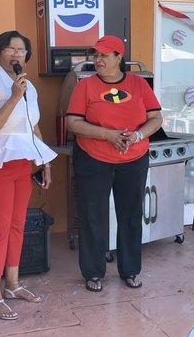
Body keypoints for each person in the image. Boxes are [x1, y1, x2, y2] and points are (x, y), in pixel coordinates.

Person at [0, 31, 57, 319]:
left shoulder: (29, 87)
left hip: (21, 163)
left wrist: (44, 162)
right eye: (10, 49)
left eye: (21, 50)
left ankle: (13, 285)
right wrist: (15, 97)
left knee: (18, 225)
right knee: (0, 227)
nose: (16, 54)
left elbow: (33, 126)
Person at [66, 35, 162, 292]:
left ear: (119, 57)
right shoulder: (84, 86)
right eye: (95, 55)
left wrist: (138, 135)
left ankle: (130, 270)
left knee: (130, 215)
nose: (98, 60)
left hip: (133, 158)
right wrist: (108, 134)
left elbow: (156, 118)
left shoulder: (139, 84)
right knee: (92, 216)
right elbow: (72, 122)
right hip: (93, 158)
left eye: (104, 55)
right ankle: (93, 272)